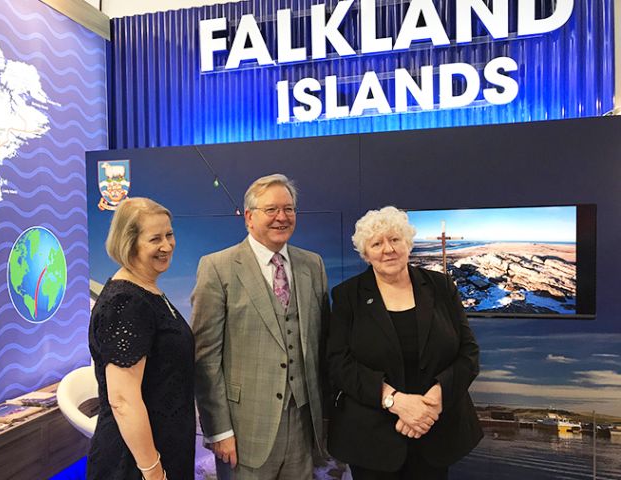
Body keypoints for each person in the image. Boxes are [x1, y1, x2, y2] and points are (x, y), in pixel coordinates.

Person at [327, 206, 482, 480]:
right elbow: (339, 364)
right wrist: (394, 401)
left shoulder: (442, 287)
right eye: (377, 243)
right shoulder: (347, 296)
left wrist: (436, 399)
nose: (388, 249)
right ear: (366, 253)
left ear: (408, 243)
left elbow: (468, 353)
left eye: (395, 239)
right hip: (372, 442)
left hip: (435, 432)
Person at [192, 174, 330, 479]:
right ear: (250, 218)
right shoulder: (218, 267)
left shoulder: (313, 265)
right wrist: (219, 430)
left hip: (303, 425)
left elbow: (322, 346)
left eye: (289, 209)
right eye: (271, 210)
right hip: (243, 431)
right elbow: (206, 358)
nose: (282, 217)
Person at [87, 198, 194, 480]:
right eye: (155, 239)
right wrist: (154, 471)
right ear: (129, 243)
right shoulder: (125, 302)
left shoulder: (147, 291)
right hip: (134, 463)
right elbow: (122, 400)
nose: (167, 246)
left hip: (162, 449)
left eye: (169, 235)